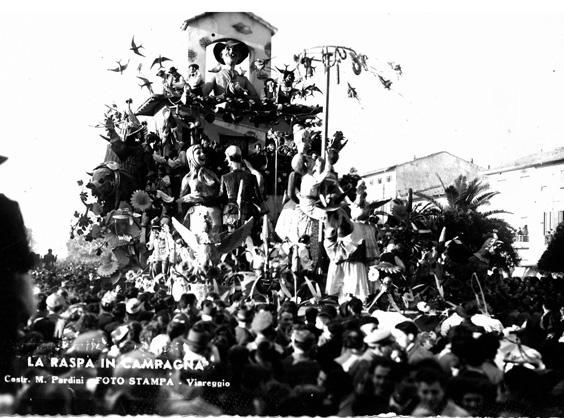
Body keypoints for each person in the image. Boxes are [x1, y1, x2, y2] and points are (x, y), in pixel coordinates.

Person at [179, 144, 222, 242]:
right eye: (198, 153)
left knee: (216, 244)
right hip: (197, 214)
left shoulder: (212, 174)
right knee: (199, 243)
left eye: (203, 152)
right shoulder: (187, 178)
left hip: (214, 213)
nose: (203, 154)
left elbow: (221, 191)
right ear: (191, 157)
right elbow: (180, 201)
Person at [218, 145, 264, 230]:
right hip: (248, 214)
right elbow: (258, 199)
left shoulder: (224, 177)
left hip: (230, 215)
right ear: (241, 158)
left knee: (232, 240)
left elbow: (221, 199)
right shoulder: (251, 177)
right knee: (248, 239)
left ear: (229, 158)